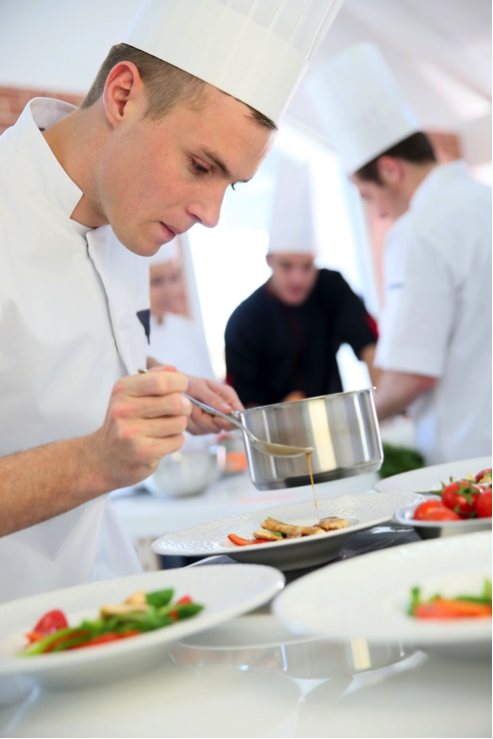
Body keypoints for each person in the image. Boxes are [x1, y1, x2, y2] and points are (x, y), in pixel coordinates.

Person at [0, 0, 342, 602]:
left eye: (229, 185)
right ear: (124, 95)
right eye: (200, 165)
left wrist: (165, 386)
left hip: (106, 610)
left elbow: (46, 362)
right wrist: (94, 462)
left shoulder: (125, 216)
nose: (211, 215)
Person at [309, 42, 492, 464]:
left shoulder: (417, 231)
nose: (378, 211)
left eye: (370, 194)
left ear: (390, 169)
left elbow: (412, 375)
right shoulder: (483, 201)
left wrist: (332, 436)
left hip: (472, 467)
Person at [225, 159, 379, 408]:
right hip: (275, 440)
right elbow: (243, 403)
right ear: (269, 260)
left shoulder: (331, 287)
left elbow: (370, 349)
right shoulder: (244, 321)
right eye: (286, 266)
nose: (298, 278)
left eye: (307, 266)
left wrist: (383, 409)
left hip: (334, 418)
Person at [148, 241, 215, 381]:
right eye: (157, 281)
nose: (169, 290)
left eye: (173, 278)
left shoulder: (189, 329)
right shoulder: (129, 337)